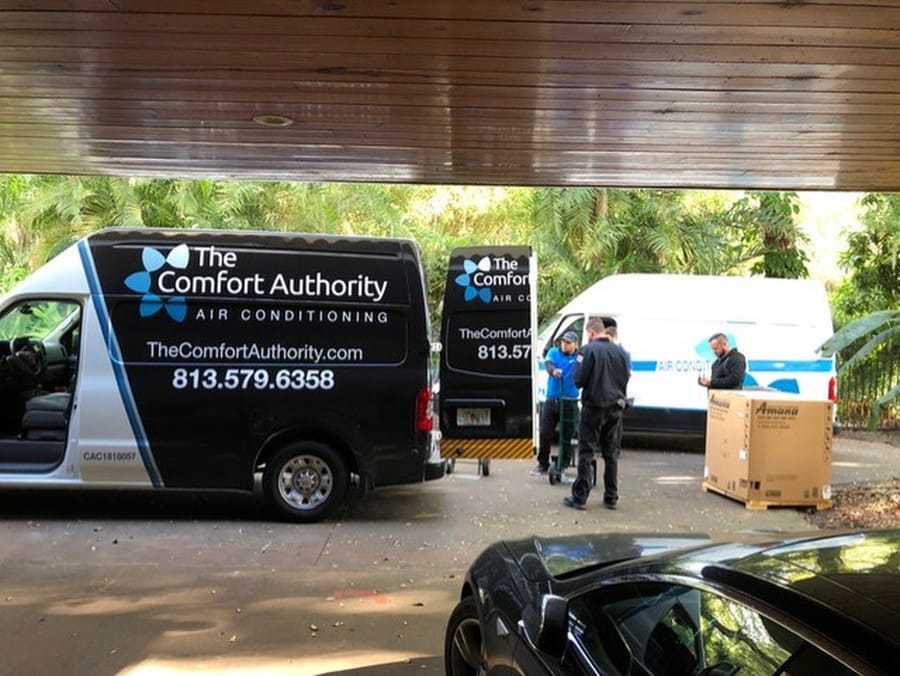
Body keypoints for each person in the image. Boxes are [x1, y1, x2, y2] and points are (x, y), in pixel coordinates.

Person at [565, 317, 630, 511]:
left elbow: (579, 380)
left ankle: (580, 498)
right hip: (615, 407)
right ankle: (611, 497)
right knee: (611, 454)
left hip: (594, 406)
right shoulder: (621, 352)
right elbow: (626, 377)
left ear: (591, 332)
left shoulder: (587, 351)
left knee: (586, 451)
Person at [532, 330, 580, 475]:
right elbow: (549, 365)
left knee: (567, 435)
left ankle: (563, 463)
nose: (564, 345)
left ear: (575, 344)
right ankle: (543, 463)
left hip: (570, 402)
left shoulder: (579, 357)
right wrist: (553, 371)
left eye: (568, 343)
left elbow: (584, 367)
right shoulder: (553, 352)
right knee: (545, 433)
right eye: (563, 341)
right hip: (552, 400)